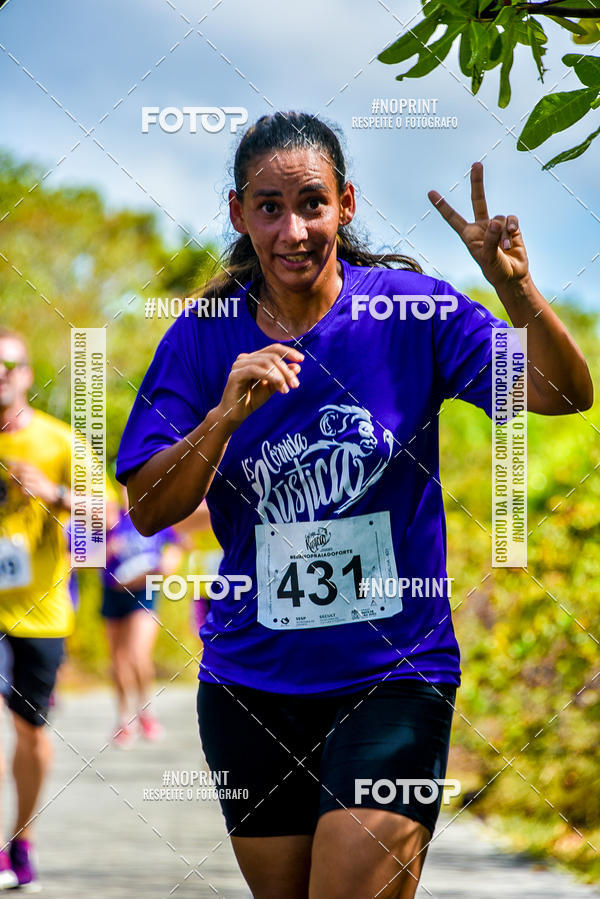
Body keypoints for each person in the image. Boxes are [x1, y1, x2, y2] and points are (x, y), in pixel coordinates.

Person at [116, 112, 593, 898]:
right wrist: (225, 414)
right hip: (252, 684)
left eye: (312, 202)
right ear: (238, 214)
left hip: (394, 674)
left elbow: (562, 393)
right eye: (269, 207)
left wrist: (518, 292)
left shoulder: (412, 314)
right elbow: (147, 507)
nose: (293, 229)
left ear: (346, 203)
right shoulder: (203, 338)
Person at [102, 485, 182, 748]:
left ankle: (146, 710)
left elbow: (176, 545)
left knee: (138, 655)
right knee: (119, 662)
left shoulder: (152, 517)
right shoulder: (110, 518)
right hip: (114, 593)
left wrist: (170, 561)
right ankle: (125, 719)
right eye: (124, 487)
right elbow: (85, 557)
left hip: (144, 594)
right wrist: (109, 548)